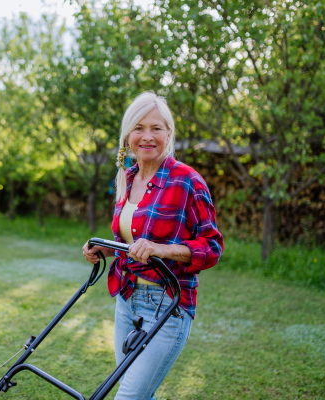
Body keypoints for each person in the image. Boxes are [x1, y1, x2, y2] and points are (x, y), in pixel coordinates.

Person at [82, 92, 223, 400]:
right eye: (139, 128)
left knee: (129, 397)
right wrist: (103, 249)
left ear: (168, 134)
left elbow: (212, 247)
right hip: (127, 299)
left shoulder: (187, 181)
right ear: (128, 136)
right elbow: (128, 241)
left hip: (168, 305)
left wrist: (162, 249)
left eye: (156, 128)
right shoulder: (127, 177)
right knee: (138, 394)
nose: (147, 136)